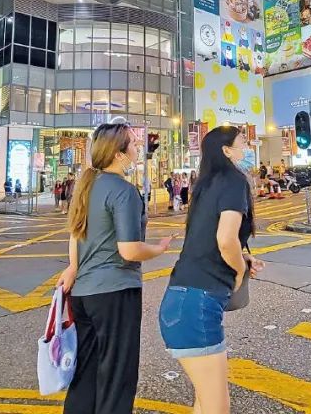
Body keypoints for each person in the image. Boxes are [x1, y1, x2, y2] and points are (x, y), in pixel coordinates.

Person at [56, 122, 174, 414]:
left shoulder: (86, 185)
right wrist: (158, 249)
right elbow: (129, 249)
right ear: (119, 154)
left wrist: (73, 267)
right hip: (115, 292)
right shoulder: (124, 191)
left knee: (86, 371)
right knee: (117, 376)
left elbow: (75, 232)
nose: (137, 148)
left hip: (81, 294)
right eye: (133, 144)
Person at [158, 126, 264, 414]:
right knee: (217, 407)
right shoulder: (233, 181)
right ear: (226, 150)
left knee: (205, 403)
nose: (248, 147)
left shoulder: (206, 184)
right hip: (198, 305)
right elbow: (225, 238)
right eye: (243, 142)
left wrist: (241, 255)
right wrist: (240, 269)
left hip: (182, 299)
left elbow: (207, 239)